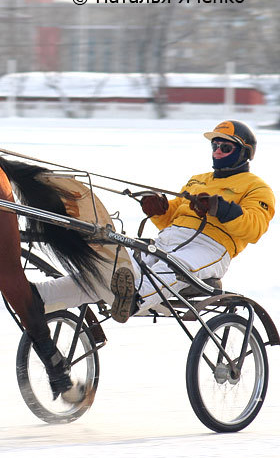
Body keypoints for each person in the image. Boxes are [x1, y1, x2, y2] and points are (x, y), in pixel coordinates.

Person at [33, 120, 275, 323]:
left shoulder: (258, 188)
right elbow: (172, 217)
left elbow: (254, 228)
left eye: (225, 147)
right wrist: (159, 209)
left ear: (244, 152)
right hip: (170, 239)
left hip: (211, 247)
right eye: (215, 145)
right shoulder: (197, 179)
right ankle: (40, 296)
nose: (217, 151)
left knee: (171, 268)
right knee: (113, 268)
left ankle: (132, 300)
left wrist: (219, 208)